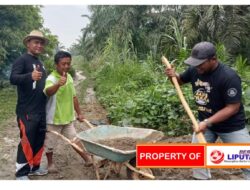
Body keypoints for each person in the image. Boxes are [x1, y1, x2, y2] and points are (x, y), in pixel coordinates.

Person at [165, 41, 250, 180]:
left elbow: (232, 108)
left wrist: (207, 122)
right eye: (195, 63)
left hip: (231, 126)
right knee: (198, 158)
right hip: (205, 124)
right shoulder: (195, 70)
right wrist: (172, 76)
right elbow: (179, 81)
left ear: (213, 59)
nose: (197, 67)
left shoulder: (229, 77)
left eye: (200, 63)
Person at [44, 50, 92, 173]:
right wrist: (58, 85)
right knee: (50, 143)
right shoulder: (51, 78)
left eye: (68, 64)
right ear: (56, 64)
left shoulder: (69, 77)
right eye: (63, 64)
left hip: (68, 117)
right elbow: (48, 92)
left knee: (75, 139)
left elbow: (74, 97)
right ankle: (50, 164)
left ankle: (87, 159)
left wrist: (79, 113)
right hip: (53, 118)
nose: (66, 66)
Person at [10, 30, 49, 180]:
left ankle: (34, 167)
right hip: (26, 110)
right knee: (27, 140)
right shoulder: (22, 60)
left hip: (40, 110)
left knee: (39, 139)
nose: (39, 45)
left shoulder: (40, 63)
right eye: (36, 42)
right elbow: (13, 78)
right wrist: (29, 76)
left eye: (41, 43)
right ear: (28, 43)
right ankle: (21, 173)